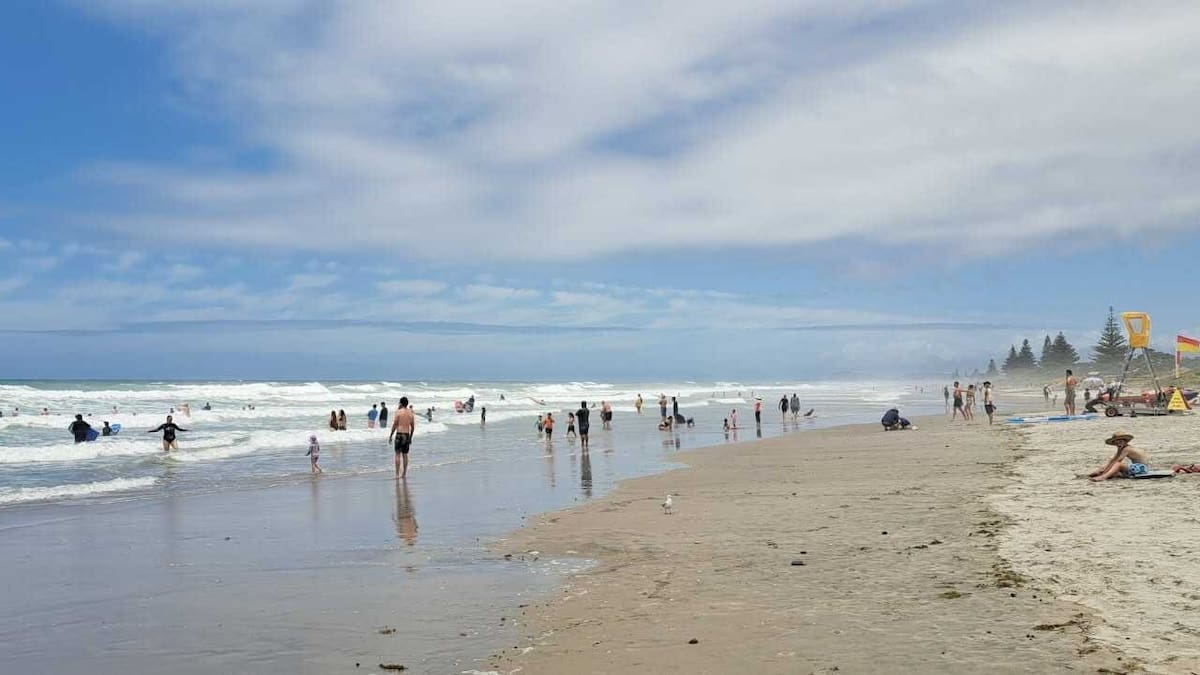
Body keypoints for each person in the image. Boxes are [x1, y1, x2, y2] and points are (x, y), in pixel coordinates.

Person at [388, 396, 415, 478]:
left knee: (397, 454)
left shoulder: (398, 412)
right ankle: (404, 474)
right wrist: (410, 437)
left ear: (401, 403)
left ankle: (397, 474)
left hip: (399, 434)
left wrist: (391, 435)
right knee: (405, 455)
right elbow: (413, 427)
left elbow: (395, 425)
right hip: (406, 435)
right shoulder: (410, 413)